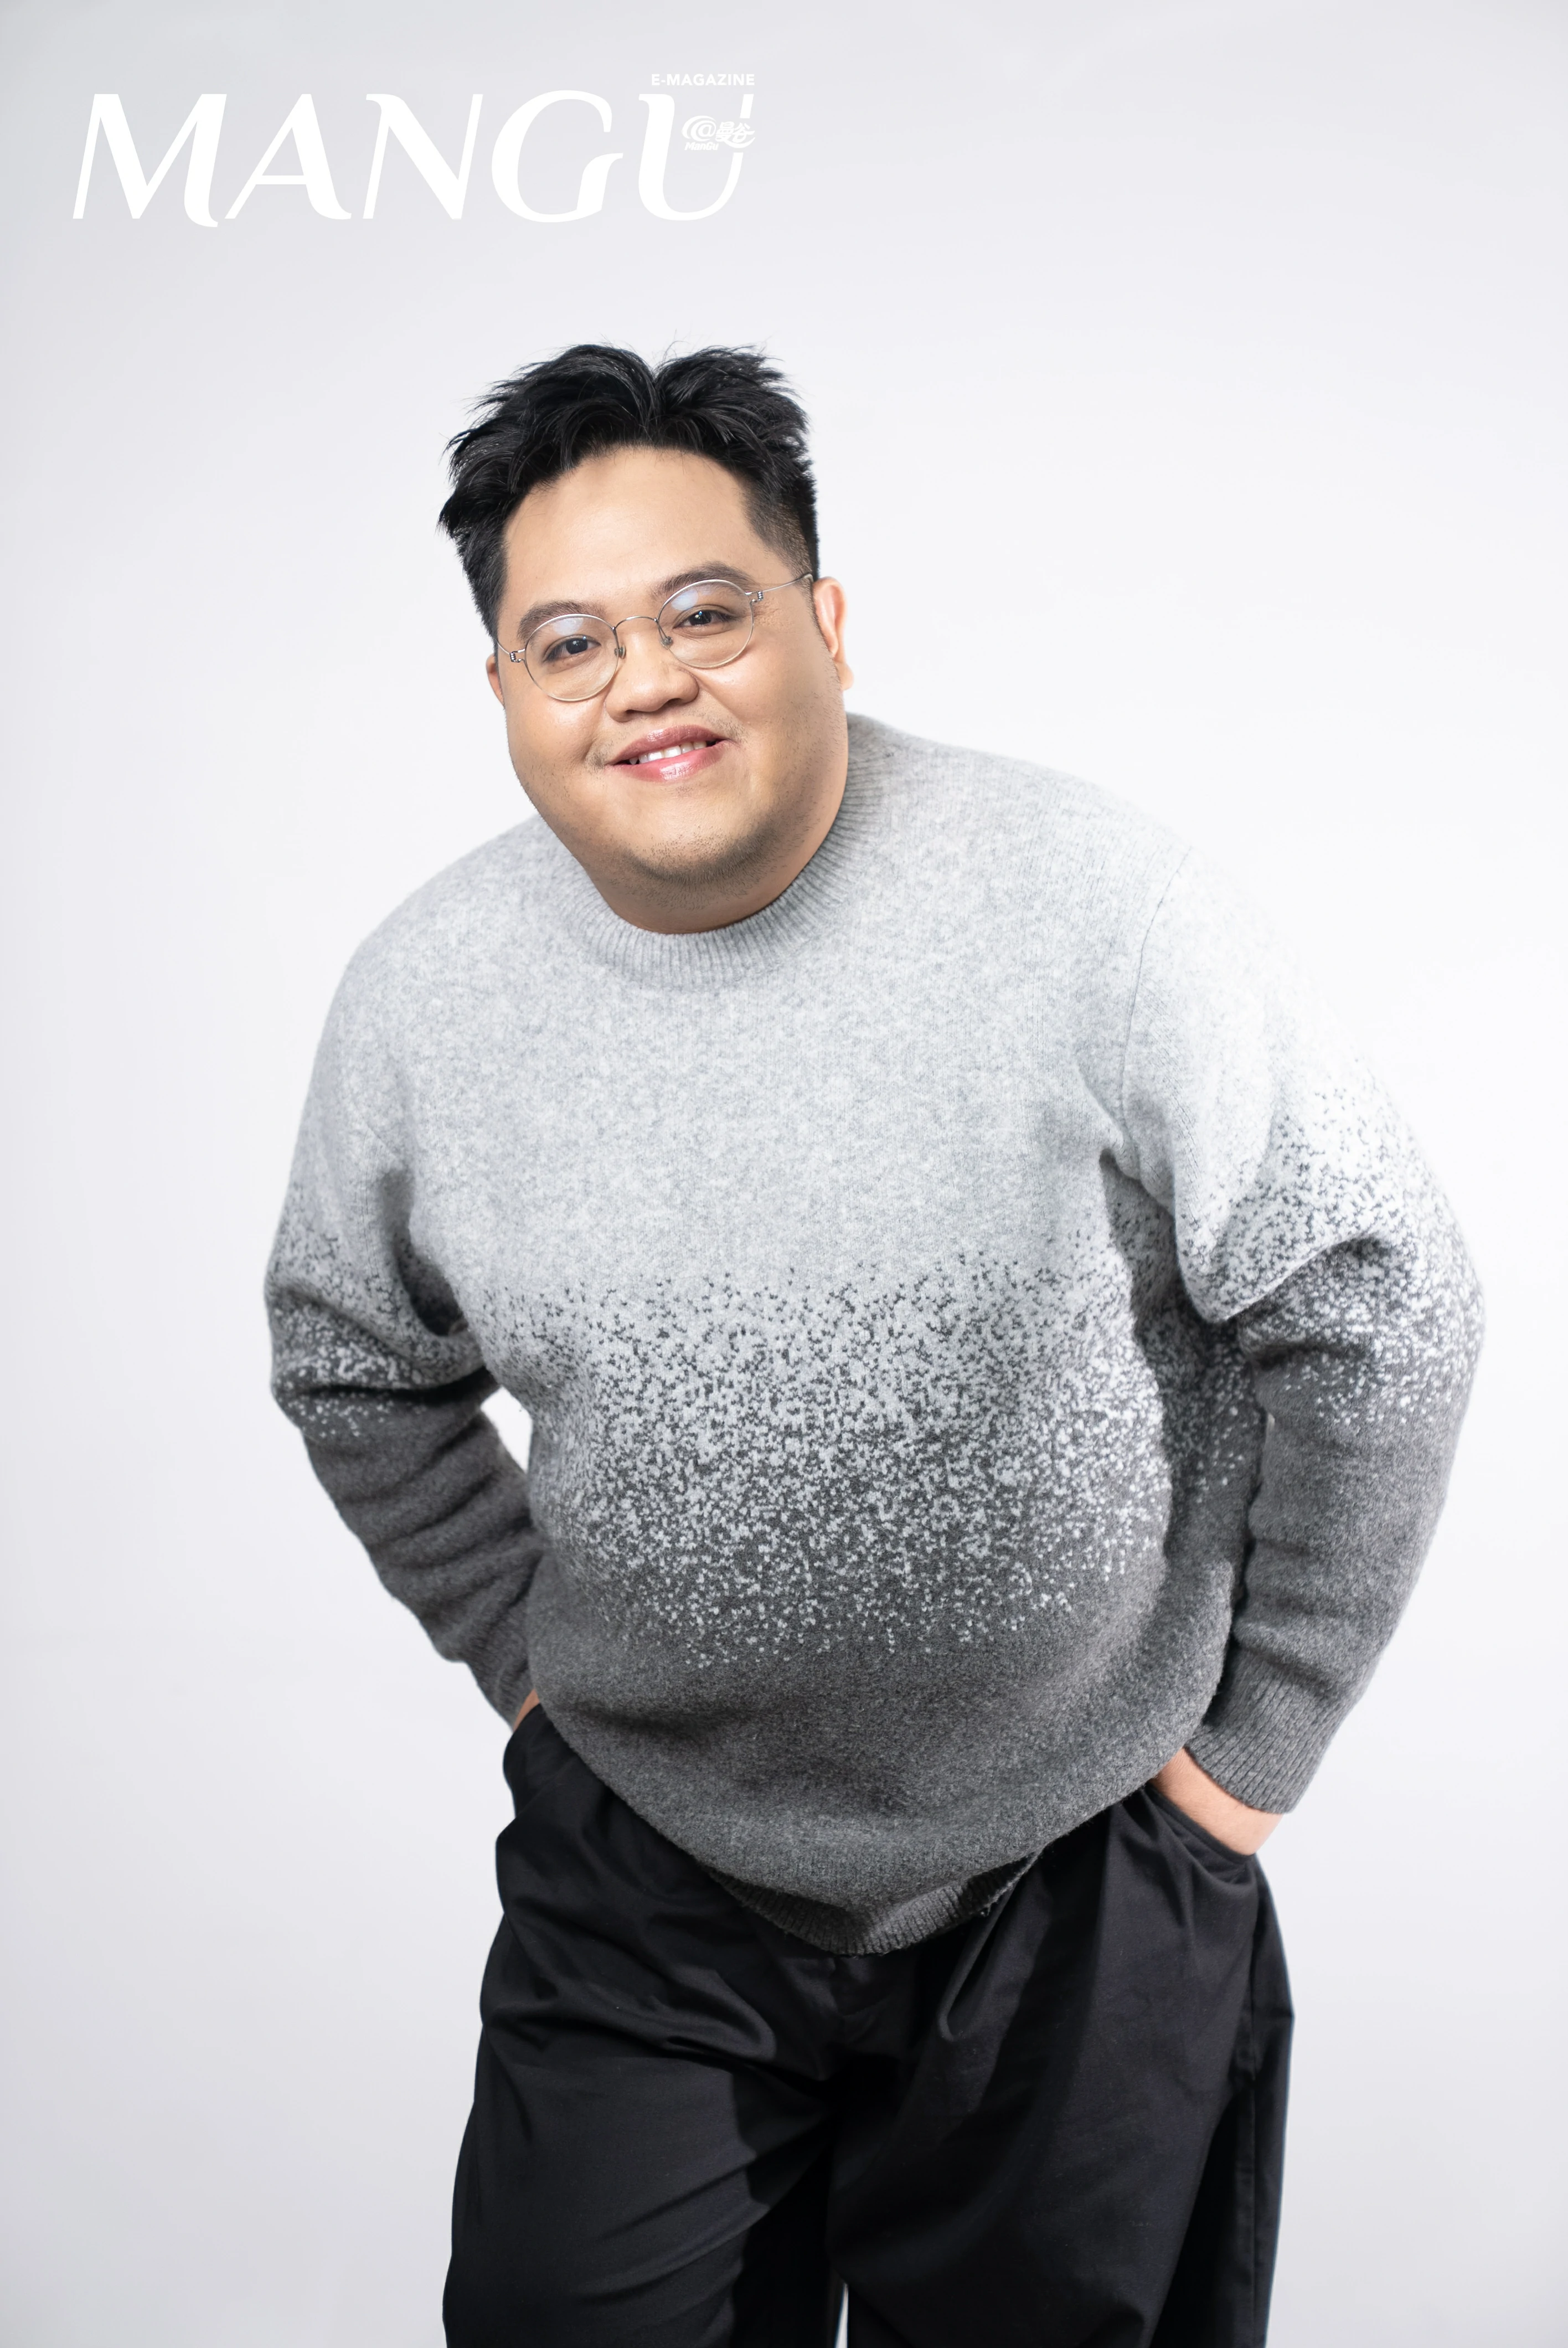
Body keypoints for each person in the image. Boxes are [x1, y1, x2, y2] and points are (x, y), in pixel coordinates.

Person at [265, 344, 1482, 2347]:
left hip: (1087, 1868)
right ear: (502, 691)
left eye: (705, 612)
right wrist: (529, 1670)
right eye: (569, 642)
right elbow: (351, 1359)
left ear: (824, 622)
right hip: (646, 1878)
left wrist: (1245, 1765)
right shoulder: (423, 1001)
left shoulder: (1098, 909)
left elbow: (1376, 1295)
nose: (643, 681)